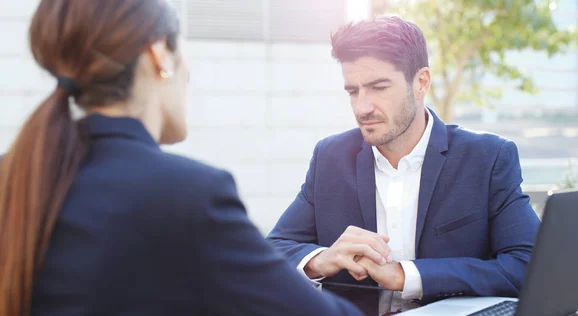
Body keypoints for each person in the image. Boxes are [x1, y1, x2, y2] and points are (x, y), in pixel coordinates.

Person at [0, 1, 363, 315]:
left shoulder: (15, 175)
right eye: (182, 51)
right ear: (158, 53)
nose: (188, 72)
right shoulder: (188, 195)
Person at [266, 15, 541, 312]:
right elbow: (274, 249)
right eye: (353, 91)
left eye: (379, 87)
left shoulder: (487, 158)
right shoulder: (330, 157)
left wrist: (406, 275)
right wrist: (322, 259)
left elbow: (527, 265)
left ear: (421, 82)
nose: (362, 107)